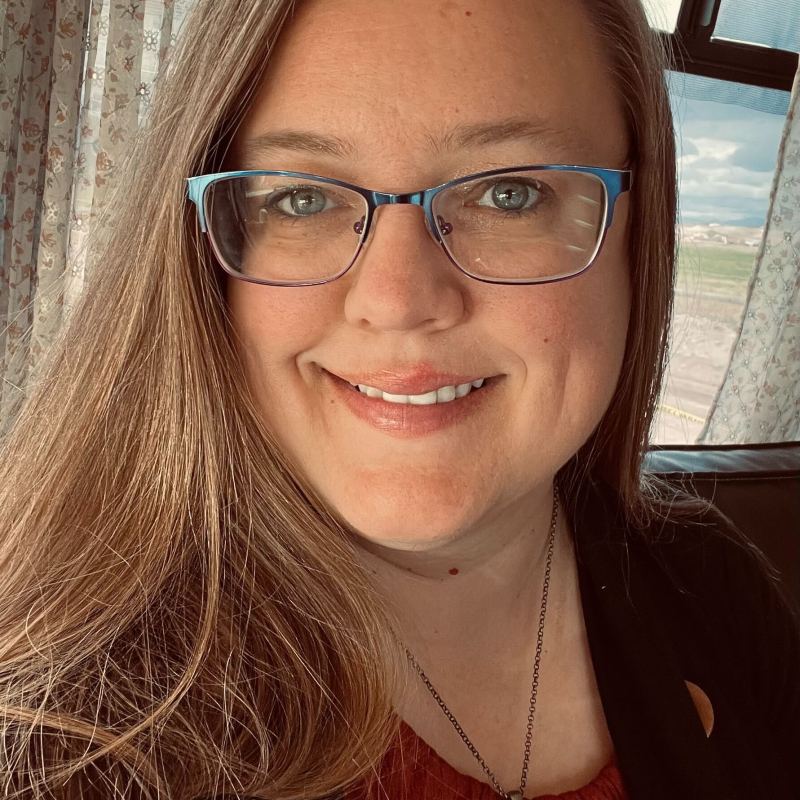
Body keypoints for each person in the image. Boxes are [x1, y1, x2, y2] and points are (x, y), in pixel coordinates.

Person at [0, 0, 798, 798]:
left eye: (510, 194)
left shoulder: (708, 583)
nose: (397, 300)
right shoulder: (60, 738)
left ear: (638, 230)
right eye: (302, 198)